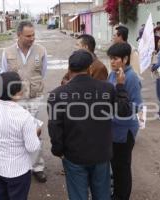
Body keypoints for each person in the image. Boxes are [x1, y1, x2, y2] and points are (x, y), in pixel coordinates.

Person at [48, 49, 132, 200]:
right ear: (90, 68)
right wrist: (120, 86)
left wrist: (58, 150)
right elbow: (124, 111)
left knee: (78, 195)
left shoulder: (58, 95)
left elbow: (55, 127)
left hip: (74, 156)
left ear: (69, 68)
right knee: (102, 195)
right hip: (101, 154)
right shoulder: (107, 89)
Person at [0, 72, 41, 200]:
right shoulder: (24, 116)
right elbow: (33, 147)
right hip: (18, 169)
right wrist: (36, 132)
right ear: (18, 93)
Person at [1, 20, 47, 183]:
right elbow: (5, 75)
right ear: (18, 35)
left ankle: (37, 167)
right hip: (16, 100)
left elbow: (43, 72)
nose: (32, 38)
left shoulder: (41, 50)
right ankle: (20, 165)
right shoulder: (7, 52)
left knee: (36, 132)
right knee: (16, 133)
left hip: (35, 98)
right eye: (28, 36)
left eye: (33, 34)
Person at [107, 43, 143, 200]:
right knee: (115, 166)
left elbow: (137, 106)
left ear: (126, 59)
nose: (112, 62)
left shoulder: (131, 77)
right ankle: (116, 194)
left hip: (124, 131)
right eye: (111, 59)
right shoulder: (112, 74)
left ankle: (121, 196)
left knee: (122, 168)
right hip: (112, 129)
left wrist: (118, 108)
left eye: (115, 59)